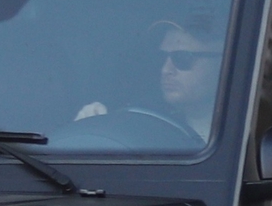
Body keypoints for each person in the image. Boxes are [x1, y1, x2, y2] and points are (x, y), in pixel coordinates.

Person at [74, 17, 225, 142]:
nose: (166, 69)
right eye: (161, 57)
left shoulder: (242, 130)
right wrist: (91, 126)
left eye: (182, 58)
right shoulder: (139, 120)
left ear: (222, 62)